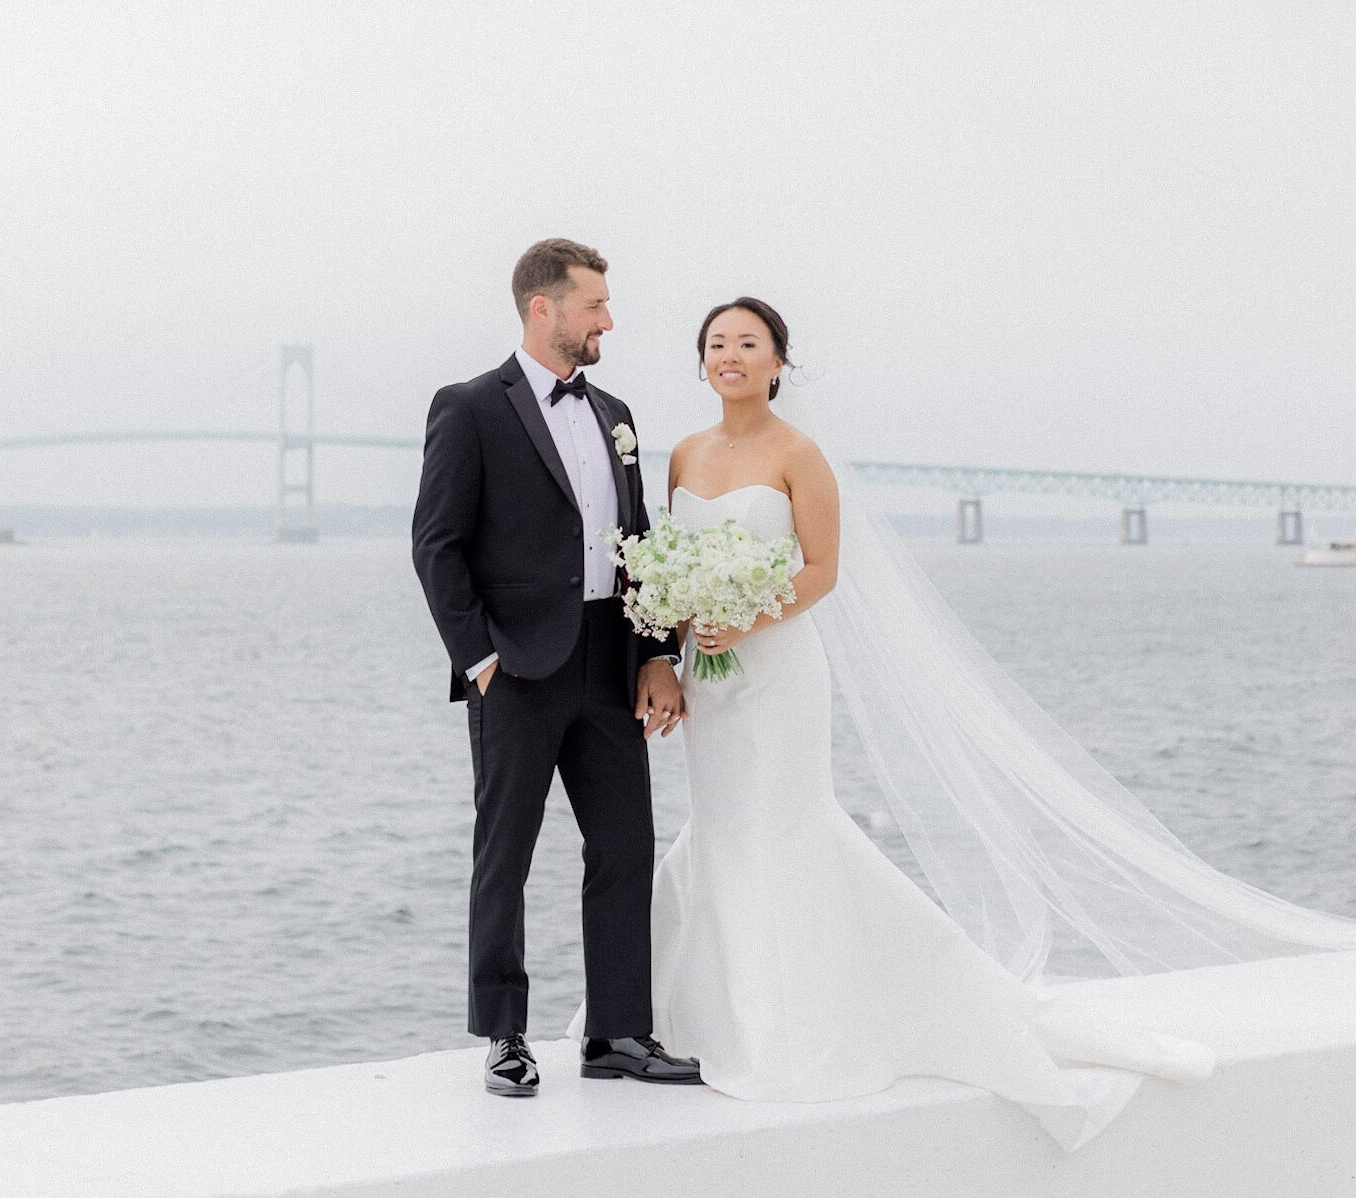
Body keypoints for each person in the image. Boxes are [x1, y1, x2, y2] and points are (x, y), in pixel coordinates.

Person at [566, 297, 1215, 1149]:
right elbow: (663, 570)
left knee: (786, 830)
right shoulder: (684, 452)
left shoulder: (800, 455)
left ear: (776, 364)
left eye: (748, 345)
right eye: (717, 344)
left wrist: (744, 617)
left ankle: (801, 1028)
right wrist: (676, 640)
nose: (731, 356)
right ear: (702, 362)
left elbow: (824, 571)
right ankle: (710, 1024)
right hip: (711, 681)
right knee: (724, 831)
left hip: (778, 673)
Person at [411, 238, 701, 1096]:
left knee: (625, 847)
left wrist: (656, 653)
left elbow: (639, 541)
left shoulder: (615, 409)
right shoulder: (467, 408)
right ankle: (504, 1035)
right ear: (543, 309)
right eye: (594, 305)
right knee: (506, 852)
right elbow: (437, 547)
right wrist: (482, 659)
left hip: (610, 663)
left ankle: (617, 1032)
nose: (607, 319)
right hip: (518, 671)